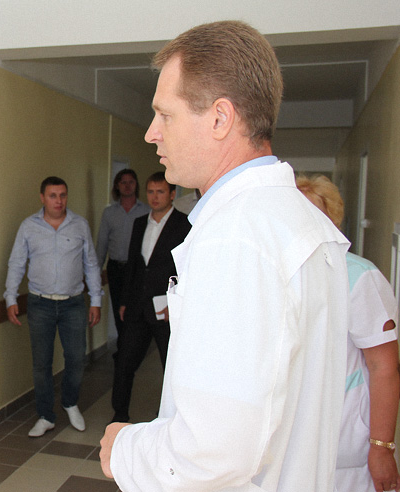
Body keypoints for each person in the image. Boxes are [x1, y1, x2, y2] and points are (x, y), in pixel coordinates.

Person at [100, 21, 350, 491]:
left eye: (165, 115)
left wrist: (125, 448)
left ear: (220, 119)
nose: (151, 134)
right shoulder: (298, 222)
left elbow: (214, 452)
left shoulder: (237, 238)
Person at [297, 174, 400, 492]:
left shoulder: (358, 276)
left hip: (344, 444)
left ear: (331, 220)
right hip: (290, 443)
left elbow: (384, 367)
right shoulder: (276, 273)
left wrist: (382, 448)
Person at [5, 176, 103, 437]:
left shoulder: (79, 225)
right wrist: (10, 298)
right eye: (52, 196)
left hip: (73, 304)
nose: (58, 201)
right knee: (41, 364)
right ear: (42, 198)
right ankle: (45, 415)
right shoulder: (29, 227)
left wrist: (96, 300)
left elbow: (91, 264)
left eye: (62, 195)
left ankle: (70, 402)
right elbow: (16, 263)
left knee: (76, 359)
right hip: (40, 304)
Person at [112, 172, 189, 423]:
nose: (155, 197)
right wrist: (124, 300)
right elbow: (133, 266)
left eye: (160, 192)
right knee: (125, 362)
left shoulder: (184, 225)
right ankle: (119, 414)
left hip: (166, 308)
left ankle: (171, 417)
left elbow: (187, 269)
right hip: (137, 305)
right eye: (151, 192)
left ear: (172, 194)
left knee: (171, 366)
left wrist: (176, 304)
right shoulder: (139, 223)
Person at [96, 170, 150, 342]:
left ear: (136, 185)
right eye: (123, 182)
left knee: (136, 311)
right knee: (119, 310)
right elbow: (102, 243)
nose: (127, 186)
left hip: (138, 270)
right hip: (116, 269)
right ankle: (122, 348)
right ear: (117, 186)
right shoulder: (109, 213)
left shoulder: (146, 211)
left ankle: (133, 348)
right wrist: (96, 272)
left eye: (131, 182)